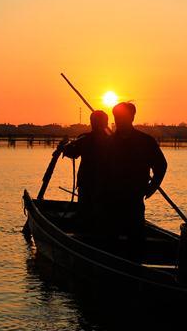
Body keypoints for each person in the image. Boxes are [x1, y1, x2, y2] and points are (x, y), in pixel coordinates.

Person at [107, 102, 167, 260]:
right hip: (110, 199)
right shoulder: (108, 142)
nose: (119, 120)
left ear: (132, 117)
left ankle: (135, 265)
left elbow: (161, 166)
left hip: (134, 198)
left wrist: (152, 187)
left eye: (123, 117)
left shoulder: (146, 141)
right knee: (110, 239)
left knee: (136, 238)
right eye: (117, 117)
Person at [62, 110, 111, 228]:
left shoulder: (85, 139)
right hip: (106, 184)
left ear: (92, 123)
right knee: (103, 213)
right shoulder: (113, 140)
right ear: (106, 123)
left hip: (88, 182)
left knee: (85, 213)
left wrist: (65, 147)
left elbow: (72, 153)